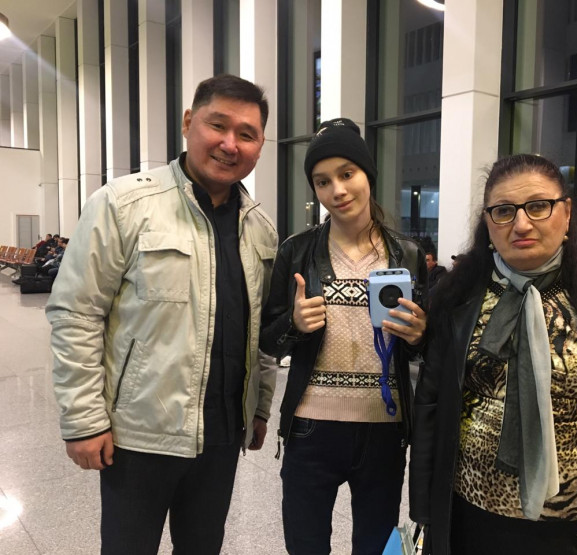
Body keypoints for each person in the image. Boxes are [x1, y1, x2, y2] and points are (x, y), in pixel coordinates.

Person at [46, 74, 278, 555]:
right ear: (189, 123)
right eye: (218, 125)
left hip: (222, 438)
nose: (230, 144)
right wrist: (85, 420)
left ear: (259, 146)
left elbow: (261, 331)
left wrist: (258, 407)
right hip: (139, 437)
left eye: (247, 134)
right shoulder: (123, 204)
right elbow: (76, 313)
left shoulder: (260, 229)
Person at [409, 153, 577, 555]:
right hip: (472, 516)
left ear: (566, 213)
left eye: (538, 206)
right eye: (504, 211)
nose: (521, 224)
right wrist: (424, 505)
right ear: (488, 223)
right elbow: (430, 403)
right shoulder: (458, 294)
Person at [261, 118, 428, 555]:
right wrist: (293, 324)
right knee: (305, 545)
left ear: (367, 174)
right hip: (311, 427)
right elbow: (267, 341)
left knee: (375, 546)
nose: (337, 190)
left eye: (347, 174)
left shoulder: (407, 254)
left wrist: (418, 335)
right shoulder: (297, 251)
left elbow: (425, 348)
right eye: (322, 181)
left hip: (384, 428)